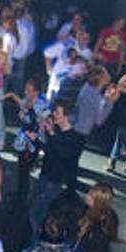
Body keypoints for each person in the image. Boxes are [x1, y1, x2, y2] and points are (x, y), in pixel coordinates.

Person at [29, 101, 86, 236]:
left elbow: (63, 154)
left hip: (55, 180)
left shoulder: (77, 138)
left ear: (66, 117)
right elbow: (50, 150)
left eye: (58, 112)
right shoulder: (57, 131)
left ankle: (38, 238)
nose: (54, 114)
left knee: (38, 212)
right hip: (45, 174)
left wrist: (51, 133)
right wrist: (36, 139)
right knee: (37, 210)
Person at [75, 183, 119, 252]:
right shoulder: (87, 210)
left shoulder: (104, 223)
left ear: (98, 200)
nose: (87, 196)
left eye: (91, 195)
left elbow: (95, 250)